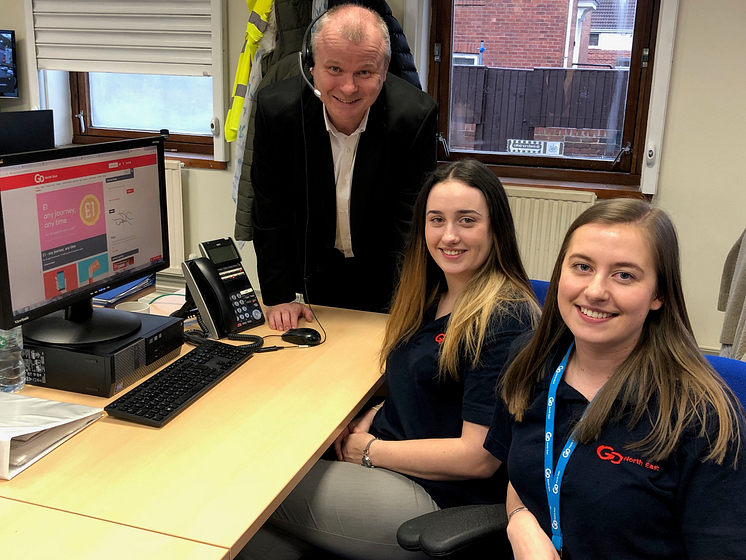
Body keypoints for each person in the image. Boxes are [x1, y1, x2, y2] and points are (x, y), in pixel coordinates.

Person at [237, 159, 539, 559]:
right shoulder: (434, 293)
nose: (449, 236)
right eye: (437, 220)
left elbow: (479, 457)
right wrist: (379, 410)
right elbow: (432, 388)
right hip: (397, 463)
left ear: (495, 228)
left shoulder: (503, 318)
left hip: (438, 499)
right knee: (250, 539)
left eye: (467, 220)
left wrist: (369, 449)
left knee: (249, 485)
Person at [485, 199, 746, 559]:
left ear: (659, 294)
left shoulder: (703, 419)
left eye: (624, 275)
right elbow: (522, 467)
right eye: (581, 266)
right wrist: (519, 521)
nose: (595, 291)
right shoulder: (529, 359)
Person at [250, 4, 438, 331]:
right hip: (310, 276)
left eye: (364, 72)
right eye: (334, 69)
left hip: (384, 273)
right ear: (311, 66)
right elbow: (270, 209)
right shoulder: (277, 111)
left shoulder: (414, 118)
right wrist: (278, 295)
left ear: (385, 68)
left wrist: (407, 306)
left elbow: (410, 225)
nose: (348, 88)